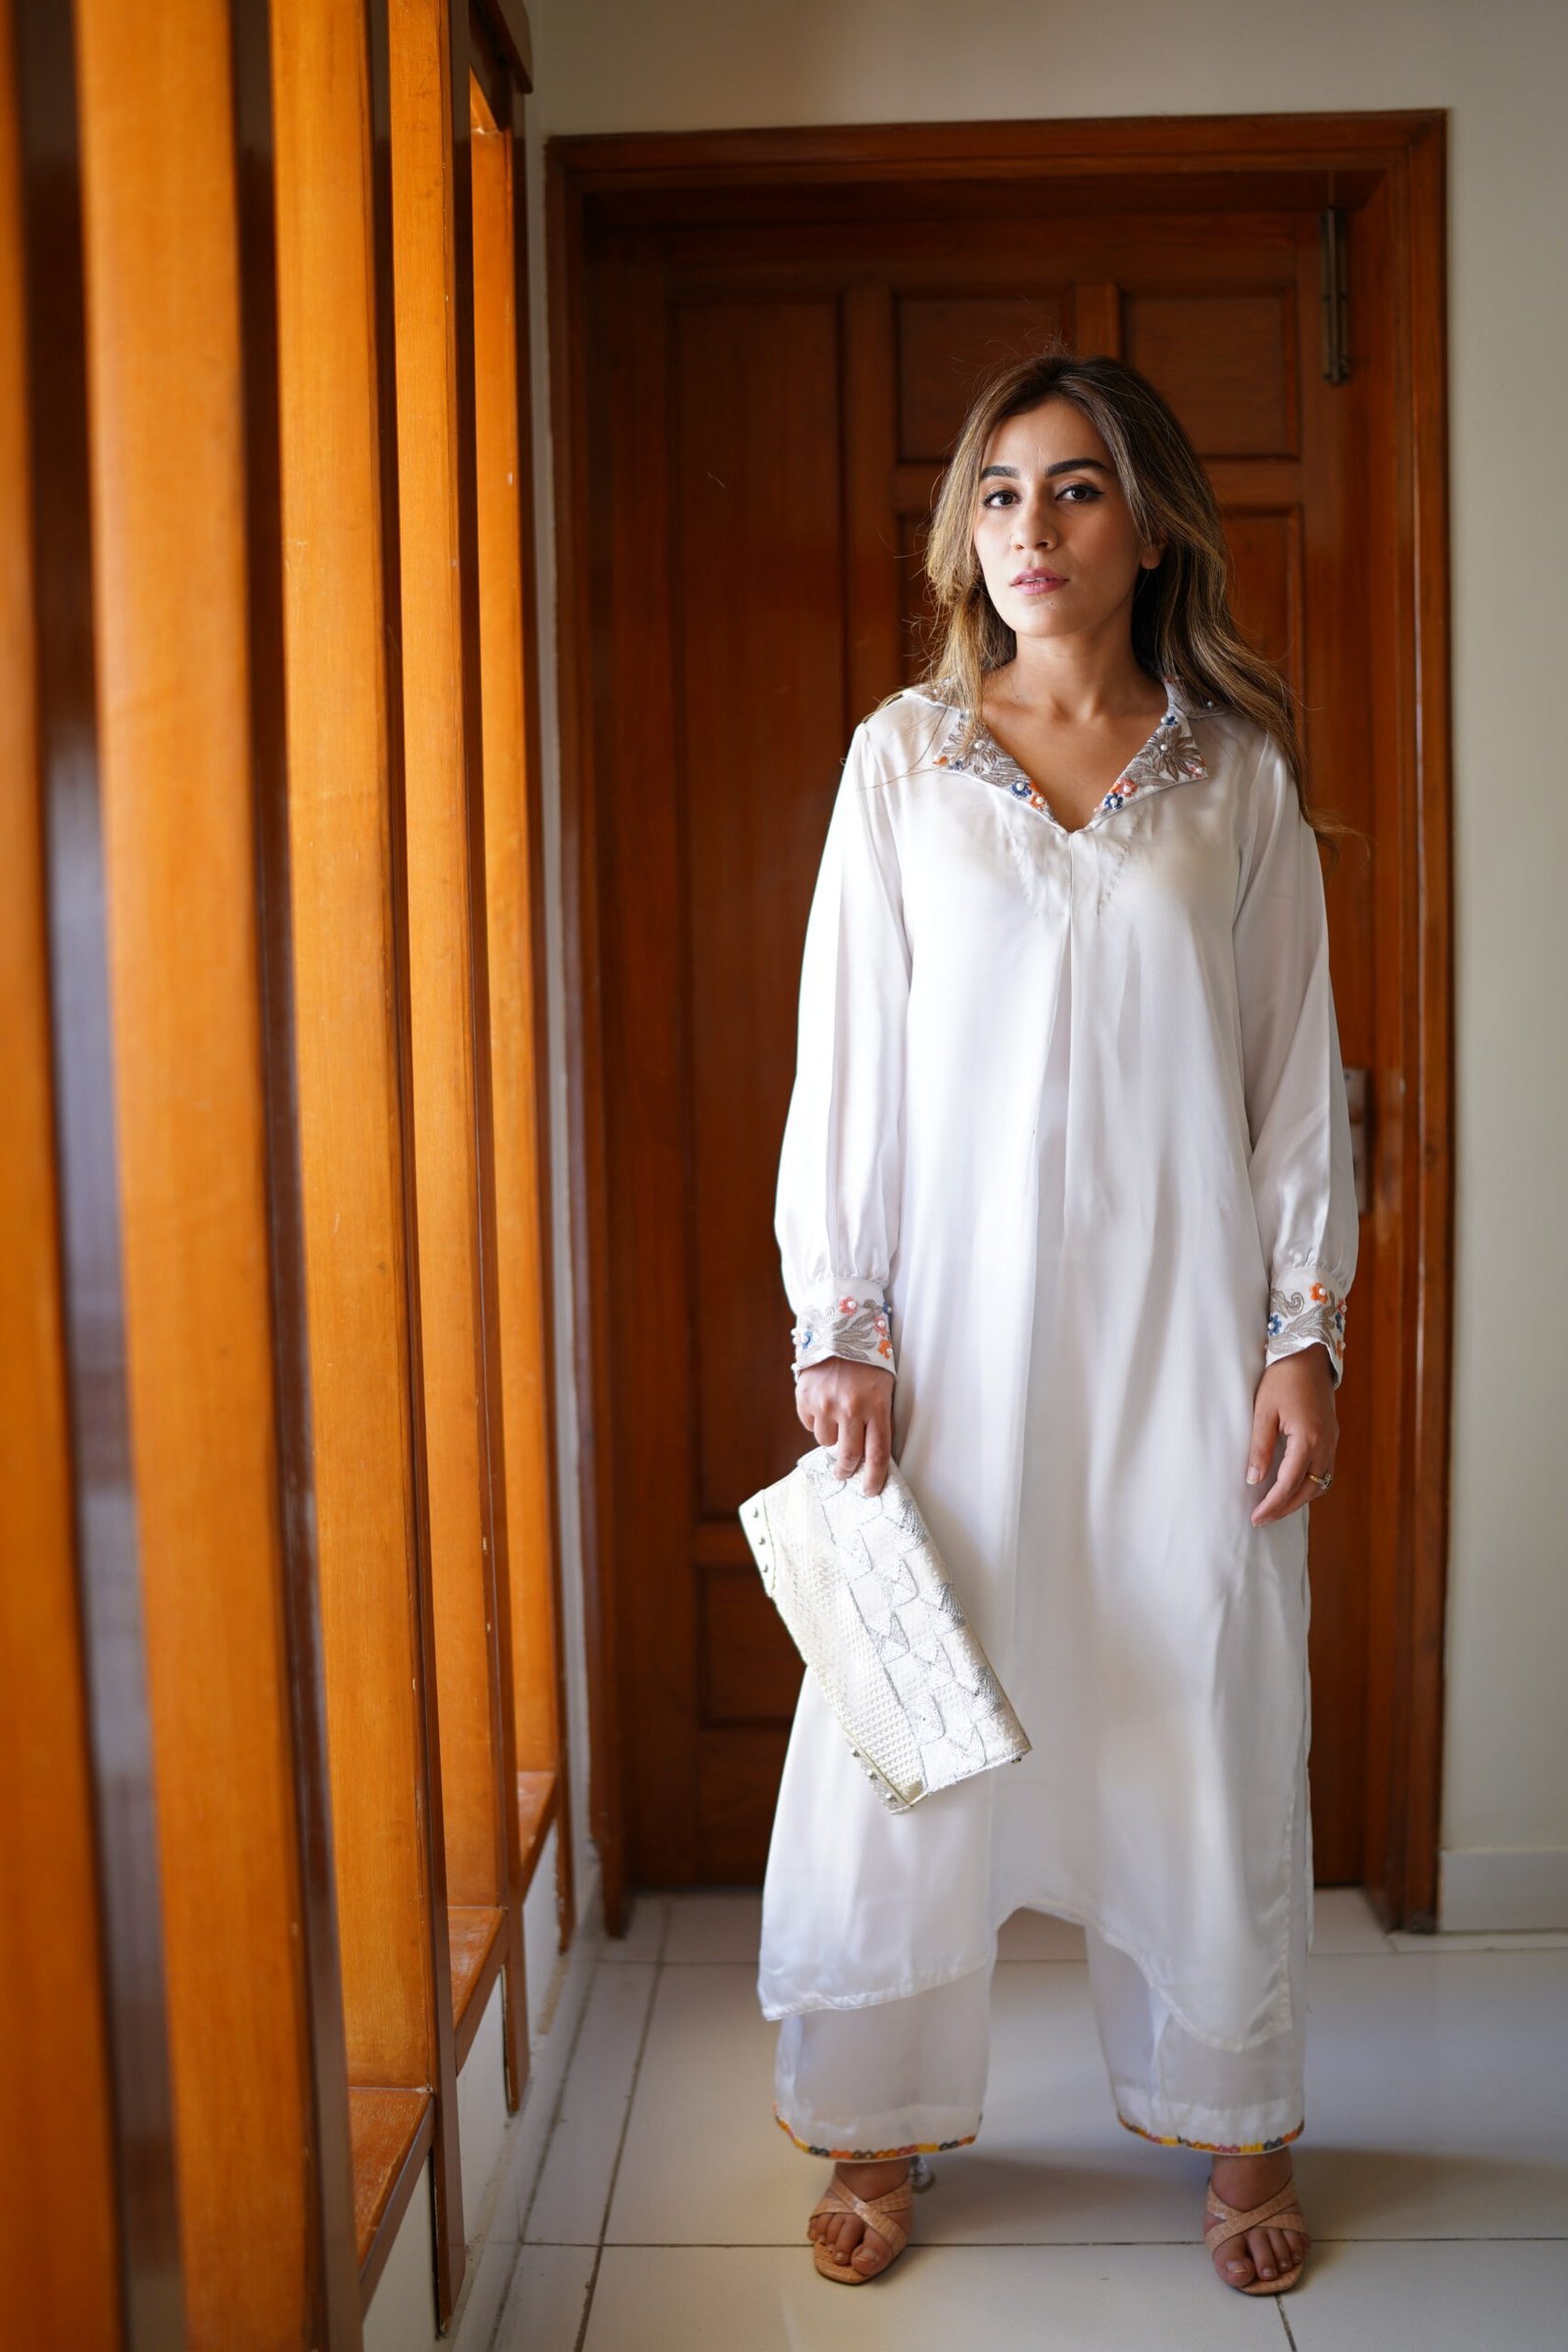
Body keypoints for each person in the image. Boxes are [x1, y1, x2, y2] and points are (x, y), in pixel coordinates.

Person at [760, 349, 1360, 2297]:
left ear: (1150, 522)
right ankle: (876, 2122)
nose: (1033, 526)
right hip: (945, 1345)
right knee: (910, 1717)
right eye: (1001, 491)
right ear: (969, 531)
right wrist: (841, 1319)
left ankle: (1232, 2118)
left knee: (1197, 1694)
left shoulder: (1235, 777)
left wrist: (1300, 1331)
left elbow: (1290, 1076)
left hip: (1175, 1349)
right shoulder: (903, 763)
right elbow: (845, 1057)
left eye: (1078, 486)